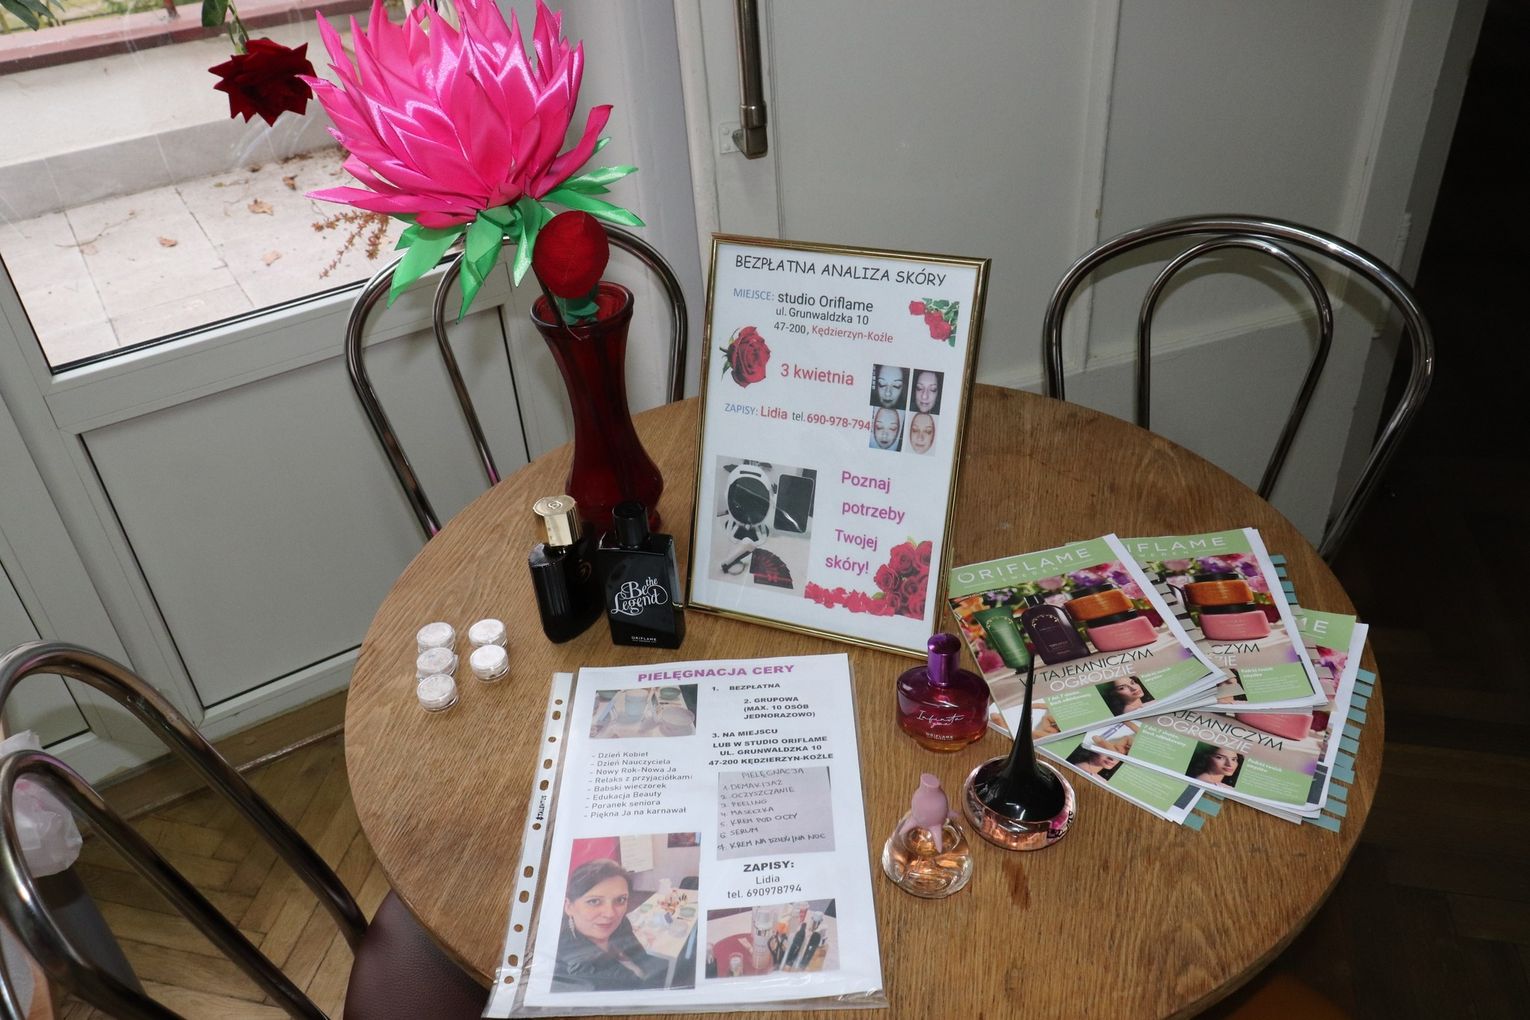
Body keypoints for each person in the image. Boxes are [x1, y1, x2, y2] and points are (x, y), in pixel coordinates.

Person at [552, 859, 666, 993]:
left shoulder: (621, 923)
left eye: (620, 900)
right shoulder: (572, 967)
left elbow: (641, 956)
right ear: (569, 906)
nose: (610, 914)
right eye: (594, 901)